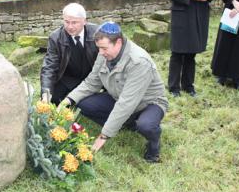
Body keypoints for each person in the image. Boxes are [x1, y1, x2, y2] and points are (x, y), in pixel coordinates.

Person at [60, 22, 168, 163]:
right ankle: (126, 123)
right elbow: (92, 82)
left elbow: (126, 103)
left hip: (149, 104)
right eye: (99, 48)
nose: (100, 53)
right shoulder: (104, 53)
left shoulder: (138, 62)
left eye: (104, 48)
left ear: (118, 42)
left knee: (145, 125)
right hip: (119, 98)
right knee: (83, 103)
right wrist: (67, 101)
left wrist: (104, 135)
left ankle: (154, 144)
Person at [162, 0, 219, 97]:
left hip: (200, 12)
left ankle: (188, 86)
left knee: (192, 52)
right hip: (182, 13)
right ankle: (174, 87)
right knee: (177, 52)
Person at [40, 3, 99, 105]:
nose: (70, 27)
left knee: (87, 104)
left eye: (74, 22)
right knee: (52, 99)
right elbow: (49, 67)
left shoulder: (97, 34)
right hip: (67, 79)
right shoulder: (55, 38)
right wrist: (46, 93)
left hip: (91, 78)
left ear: (84, 21)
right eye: (66, 22)